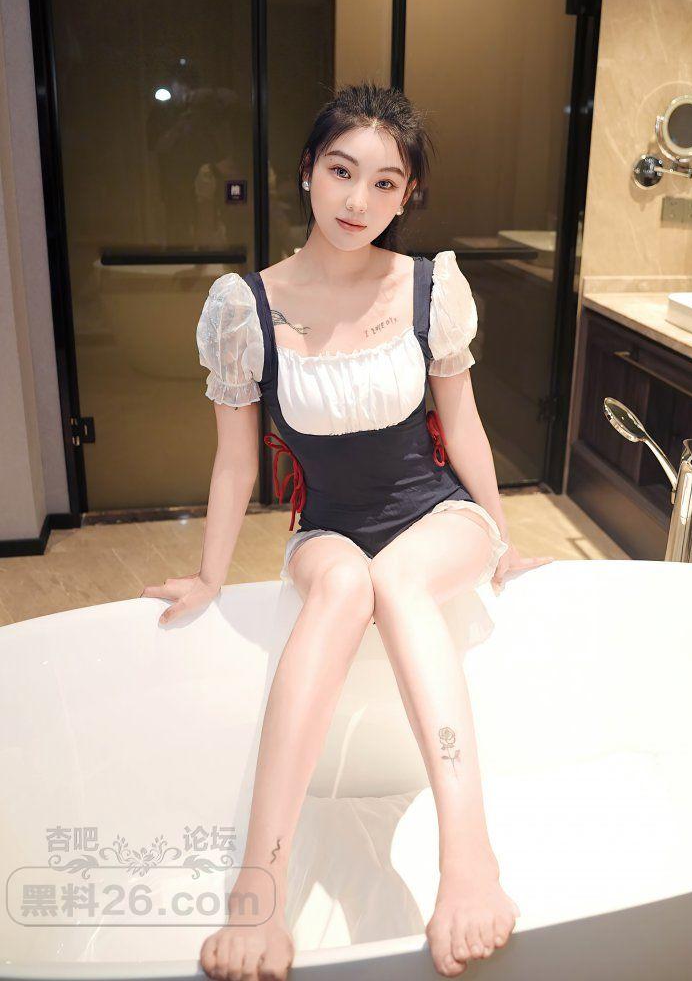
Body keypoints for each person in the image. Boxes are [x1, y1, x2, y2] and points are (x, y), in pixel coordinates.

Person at [143, 81, 552, 980]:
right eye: (341, 171)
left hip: (436, 514)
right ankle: (260, 886)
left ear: (407, 196)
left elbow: (465, 427)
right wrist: (209, 577)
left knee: (396, 581)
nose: (358, 200)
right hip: (328, 522)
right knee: (340, 583)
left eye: (384, 183)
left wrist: (503, 535)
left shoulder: (428, 287)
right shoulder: (246, 307)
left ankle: (468, 859)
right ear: (307, 172)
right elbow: (236, 465)